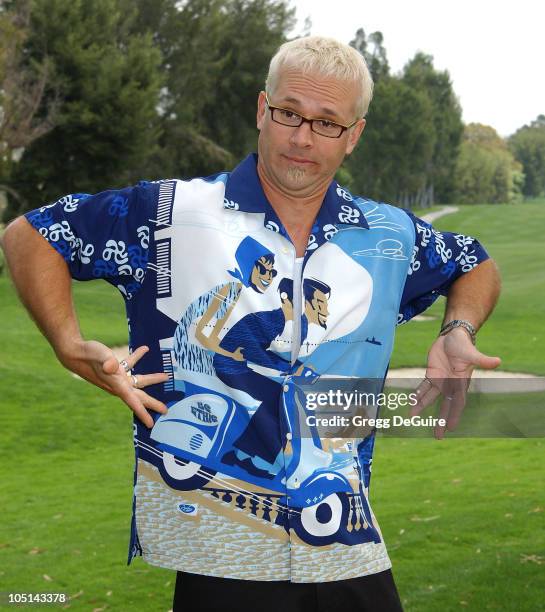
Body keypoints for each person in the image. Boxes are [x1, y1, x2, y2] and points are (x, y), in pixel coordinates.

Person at [2, 36, 501, 611]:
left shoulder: (387, 235)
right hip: (220, 546)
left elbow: (474, 263)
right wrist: (67, 344)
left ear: (354, 135)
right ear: (262, 110)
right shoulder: (171, 213)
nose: (302, 137)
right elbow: (32, 235)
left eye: (326, 123)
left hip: (346, 540)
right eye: (289, 113)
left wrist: (455, 330)